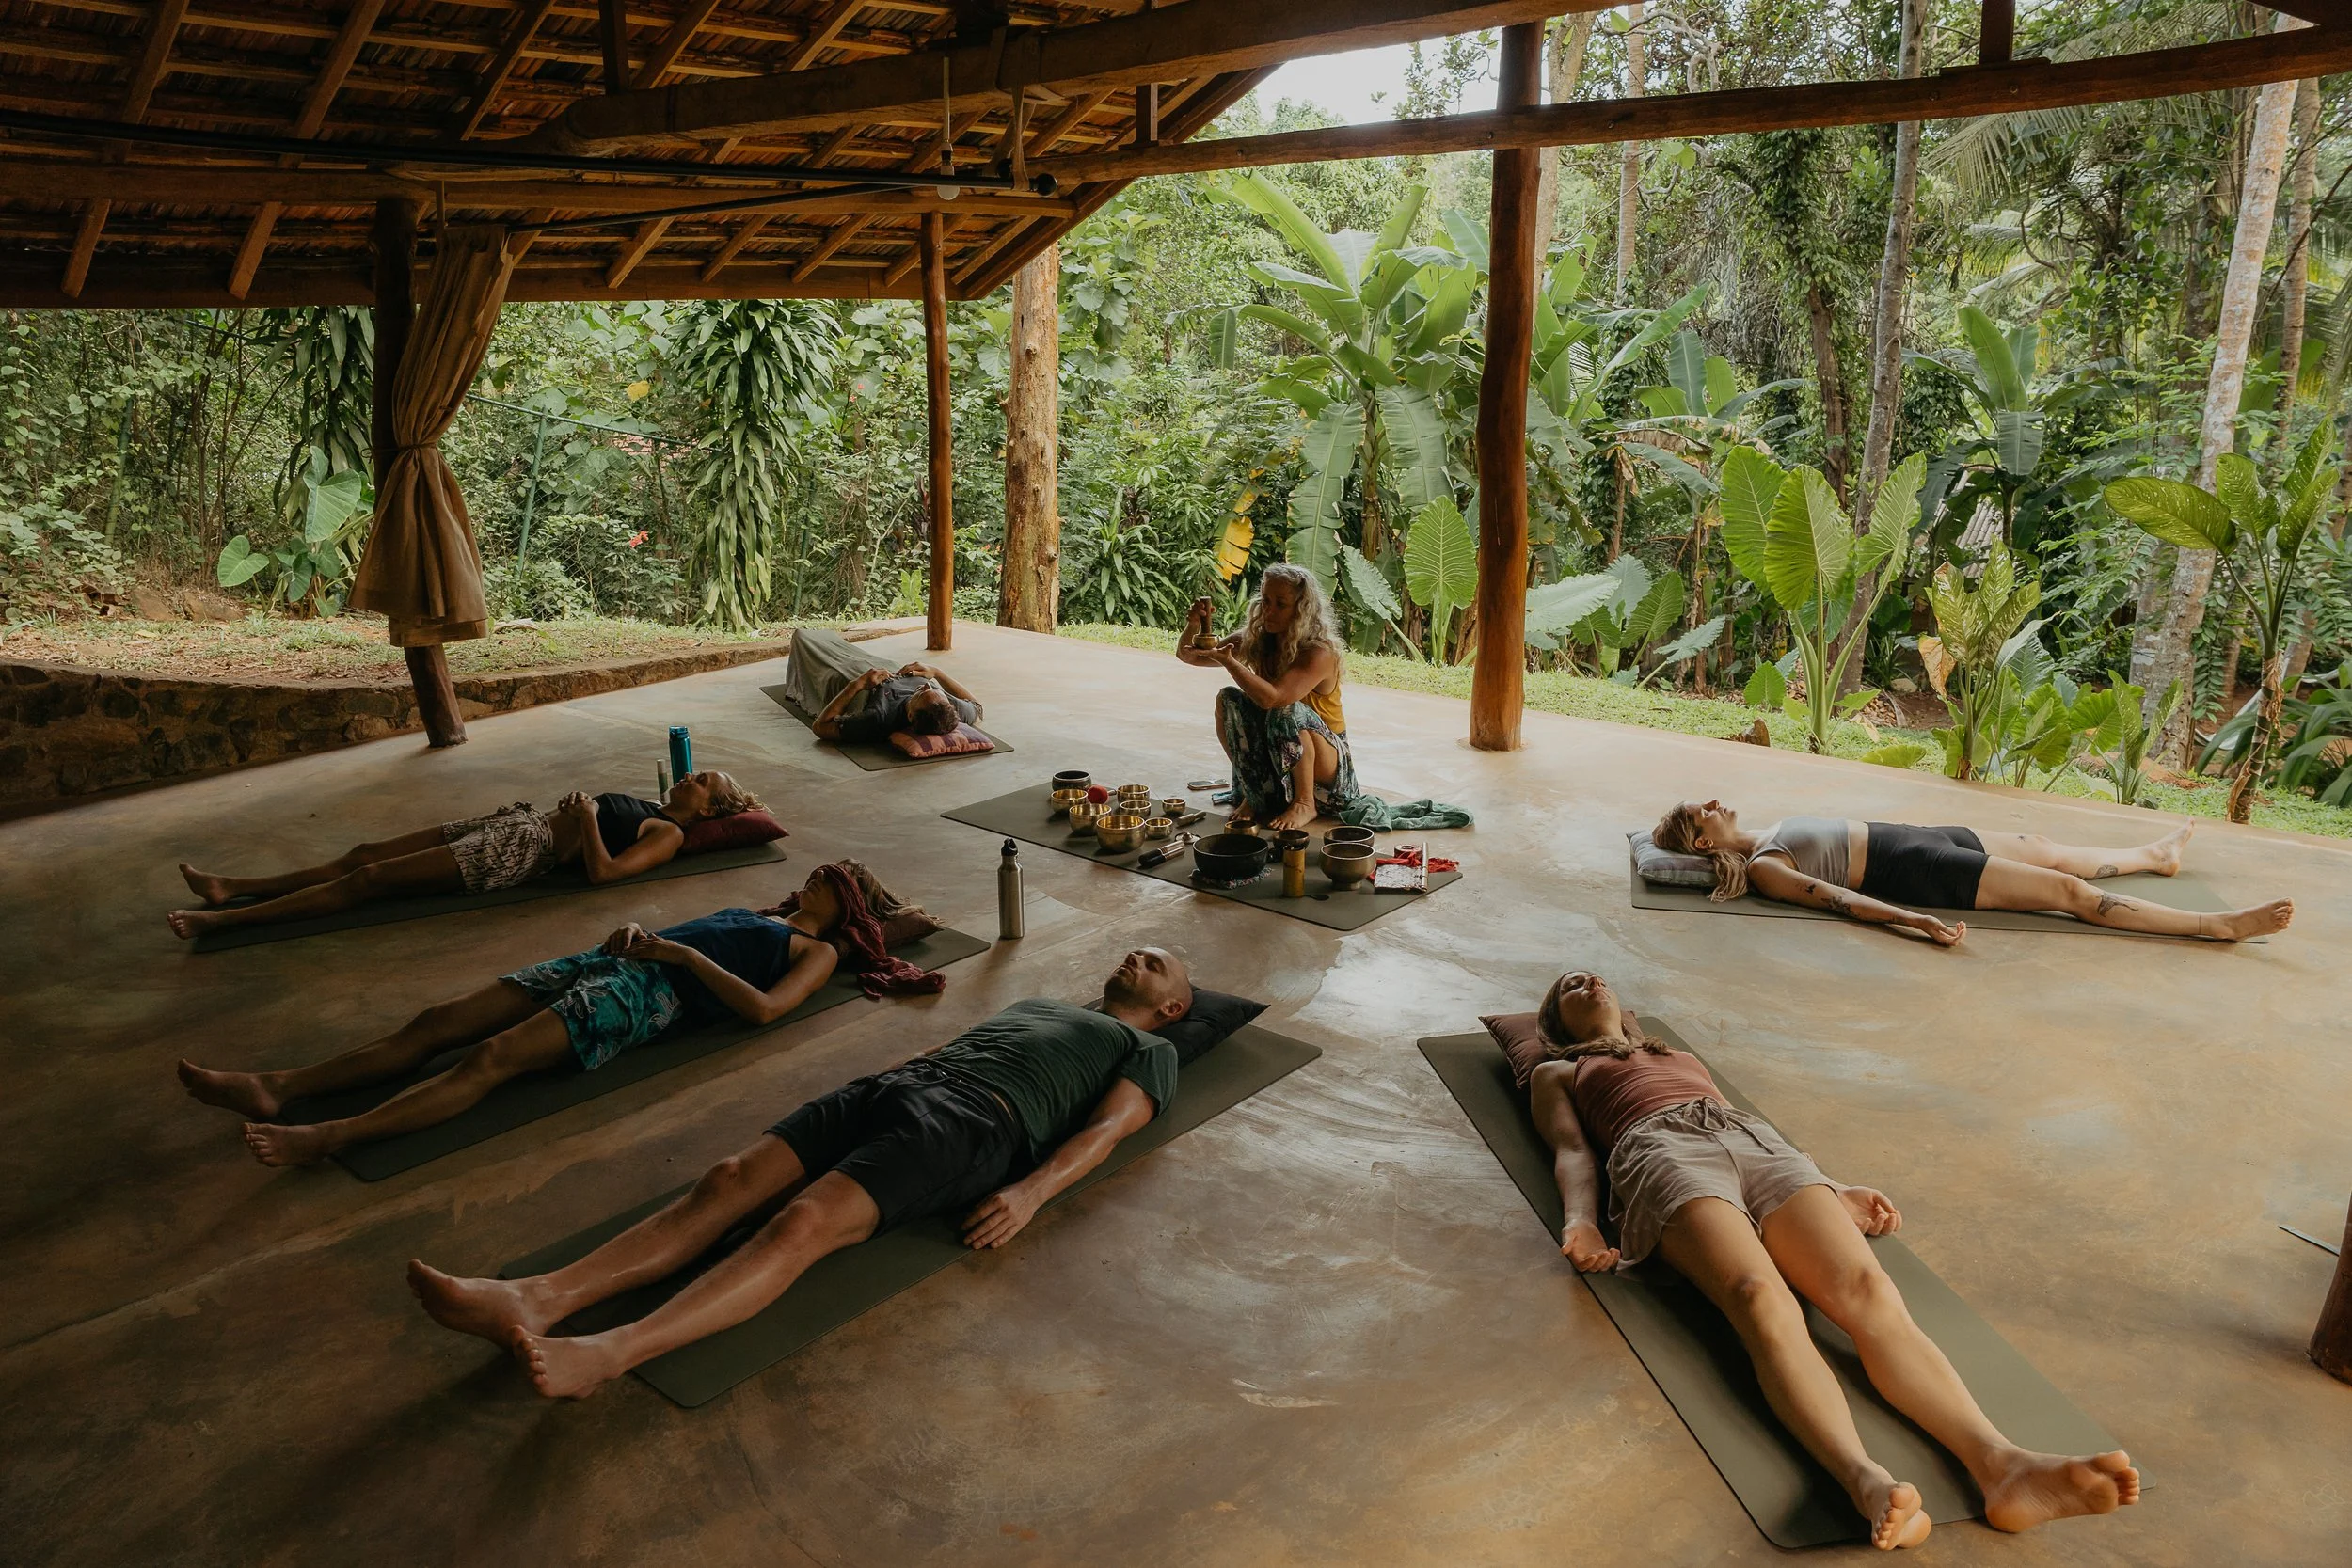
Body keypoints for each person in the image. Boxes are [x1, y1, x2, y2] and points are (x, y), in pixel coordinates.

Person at [407, 947, 1196, 1400]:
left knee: (802, 1223)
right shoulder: (1041, 999)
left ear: (1172, 1008)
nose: (1137, 955)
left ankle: (613, 1350)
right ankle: (534, 1296)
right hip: (898, 1087)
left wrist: (1029, 1191)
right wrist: (881, 1079)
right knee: (724, 1180)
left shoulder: (1148, 1051)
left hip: (976, 1122)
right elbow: (939, 1046)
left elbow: (1106, 1131)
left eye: (1156, 963)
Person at [1530, 969, 2141, 1549]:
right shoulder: (1559, 1069)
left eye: (1593, 974)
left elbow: (1753, 1122)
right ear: (1556, 1023)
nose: (1590, 980)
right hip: (1658, 1149)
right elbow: (1573, 1151)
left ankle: (2005, 1467)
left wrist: (1830, 1182)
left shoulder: (1674, 1053)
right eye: (1570, 985)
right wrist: (1580, 1218)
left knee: (1869, 1291)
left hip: (1756, 1143)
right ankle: (1867, 1482)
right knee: (1757, 1294)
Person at [178, 862, 944, 1167]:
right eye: (817, 869)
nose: (813, 875)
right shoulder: (762, 910)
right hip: (614, 960)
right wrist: (643, 939)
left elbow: (765, 1011)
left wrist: (677, 959)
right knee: (438, 1020)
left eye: (831, 878)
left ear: (847, 907)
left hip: (650, 996)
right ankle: (280, 1084)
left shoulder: (818, 952)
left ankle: (328, 1135)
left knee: (490, 1059)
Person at [167, 769, 767, 942]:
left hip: (519, 852)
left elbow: (604, 878)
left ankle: (229, 920)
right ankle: (233, 884)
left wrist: (585, 818)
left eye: (701, 782)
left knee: (373, 879)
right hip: (516, 823)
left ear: (710, 810)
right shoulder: (654, 807)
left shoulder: (670, 834)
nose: (688, 778)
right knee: (366, 851)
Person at [1651, 800, 2292, 944]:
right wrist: (1916, 920)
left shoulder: (1768, 830)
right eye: (1702, 810)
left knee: (2043, 846)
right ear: (1703, 839)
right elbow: (1839, 900)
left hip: (1918, 835)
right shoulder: (1766, 865)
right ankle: (2215, 925)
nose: (1715, 801)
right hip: (1917, 870)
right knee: (2070, 893)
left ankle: (2154, 858)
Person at [1179, 563, 1361, 832]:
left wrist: (1231, 663)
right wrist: (1193, 624)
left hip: (1329, 770)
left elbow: (1274, 699)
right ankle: (1257, 792)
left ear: (1301, 610)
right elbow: (1190, 656)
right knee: (1228, 699)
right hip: (1281, 751)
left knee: (1285, 710)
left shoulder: (1319, 652)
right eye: (1265, 600)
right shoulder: (1258, 638)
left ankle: (1305, 802)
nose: (1269, 610)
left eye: (1280, 604)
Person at [782, 626, 981, 742]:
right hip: (888, 669)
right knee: (843, 648)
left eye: (921, 694)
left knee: (805, 640)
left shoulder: (879, 718)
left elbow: (820, 727)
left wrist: (857, 684)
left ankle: (807, 636)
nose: (926, 686)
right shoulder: (949, 709)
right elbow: (976, 707)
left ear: (910, 715)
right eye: (933, 689)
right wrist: (937, 672)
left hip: (861, 679)